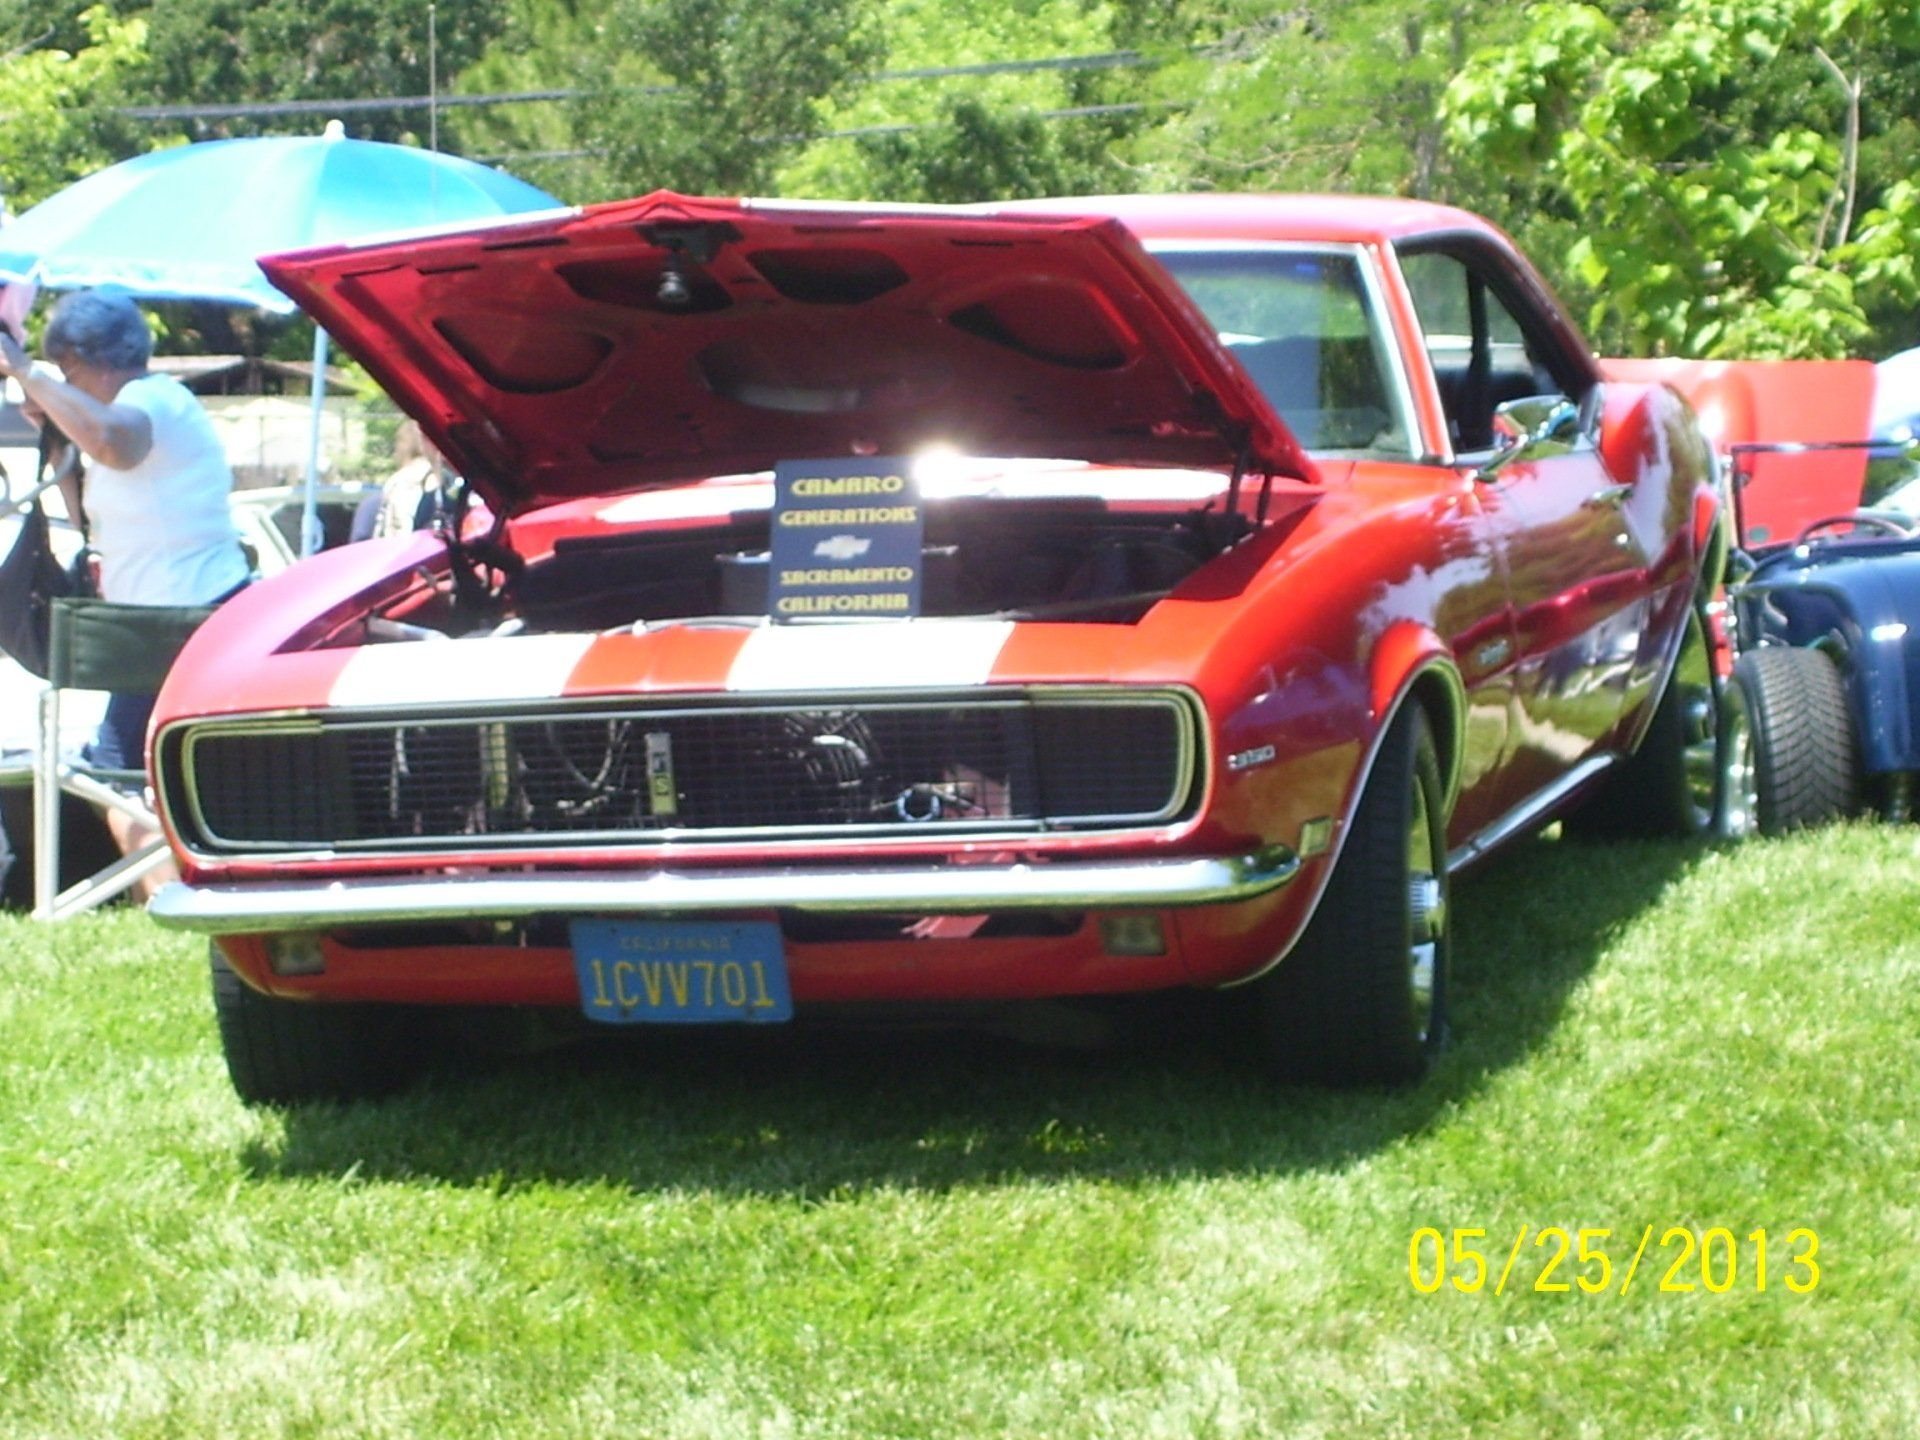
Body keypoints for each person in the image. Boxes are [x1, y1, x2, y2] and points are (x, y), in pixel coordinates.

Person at [0, 289, 250, 894]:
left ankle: (170, 898)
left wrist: (30, 374)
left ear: (86, 361)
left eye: (68, 372)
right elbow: (87, 512)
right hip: (162, 622)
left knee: (114, 774)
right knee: (131, 774)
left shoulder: (150, 399)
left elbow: (117, 442)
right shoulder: (140, 407)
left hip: (180, 622)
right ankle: (173, 895)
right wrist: (56, 425)